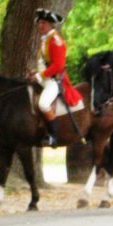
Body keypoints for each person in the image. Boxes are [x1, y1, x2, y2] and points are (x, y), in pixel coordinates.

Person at [32, 8, 82, 147]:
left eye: (43, 23)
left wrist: (40, 75)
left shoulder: (56, 41)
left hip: (53, 81)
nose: (40, 26)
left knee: (43, 104)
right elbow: (44, 62)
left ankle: (53, 136)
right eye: (39, 23)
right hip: (44, 79)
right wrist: (35, 73)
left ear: (50, 24)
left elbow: (58, 66)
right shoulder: (46, 40)